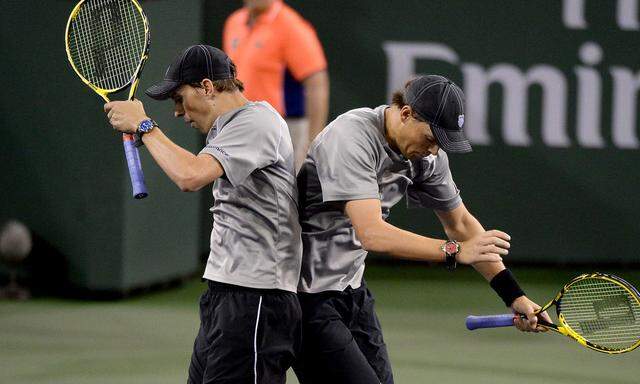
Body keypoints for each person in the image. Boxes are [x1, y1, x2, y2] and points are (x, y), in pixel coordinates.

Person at [292, 75, 552, 384]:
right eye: (430, 138)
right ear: (405, 114)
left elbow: (461, 225)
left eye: (439, 144)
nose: (432, 151)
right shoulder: (351, 136)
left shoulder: (426, 156)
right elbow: (371, 233)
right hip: (302, 295)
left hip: (350, 289)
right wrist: (452, 251)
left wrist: (513, 295)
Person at [103, 45, 302, 384]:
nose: (178, 112)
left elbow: (190, 175)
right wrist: (146, 132)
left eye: (179, 99)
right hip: (226, 293)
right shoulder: (228, 129)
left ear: (207, 87)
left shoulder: (258, 121)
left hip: (257, 297)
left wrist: (145, 126)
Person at [223, 0, 329, 170]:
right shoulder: (234, 22)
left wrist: (312, 144)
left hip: (283, 133)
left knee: (285, 195)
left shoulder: (292, 26)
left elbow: (317, 84)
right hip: (241, 129)